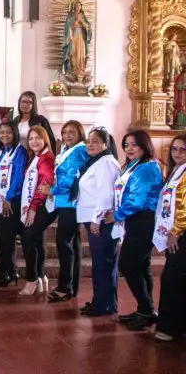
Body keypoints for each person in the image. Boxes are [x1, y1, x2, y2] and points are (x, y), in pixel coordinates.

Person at [113, 130, 163, 331]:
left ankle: (146, 309)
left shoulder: (146, 168)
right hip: (135, 220)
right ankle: (146, 311)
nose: (129, 148)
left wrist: (116, 215)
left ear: (144, 146)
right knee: (141, 266)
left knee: (128, 264)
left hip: (143, 220)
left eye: (134, 144)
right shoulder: (136, 166)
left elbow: (137, 200)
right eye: (126, 145)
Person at [76, 127, 120, 316]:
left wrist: (96, 219)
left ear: (105, 144)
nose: (90, 144)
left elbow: (106, 193)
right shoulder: (97, 161)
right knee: (100, 263)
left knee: (104, 263)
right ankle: (100, 301)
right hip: (94, 219)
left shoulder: (106, 163)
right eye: (88, 141)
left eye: (95, 141)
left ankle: (105, 305)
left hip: (101, 222)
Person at [42, 120, 88, 302]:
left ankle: (64, 286)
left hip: (71, 204)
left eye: (72, 132)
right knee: (72, 245)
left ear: (80, 134)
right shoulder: (67, 150)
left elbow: (71, 179)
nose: (67, 135)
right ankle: (71, 286)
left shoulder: (79, 151)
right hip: (65, 203)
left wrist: (51, 190)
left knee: (64, 244)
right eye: (65, 131)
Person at [0, 121, 27, 287]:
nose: (4, 135)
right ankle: (11, 271)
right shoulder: (1, 151)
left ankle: (2, 273)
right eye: (2, 132)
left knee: (6, 239)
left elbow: (17, 177)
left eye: (8, 132)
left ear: (14, 133)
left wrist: (8, 198)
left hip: (11, 202)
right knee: (5, 239)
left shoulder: (19, 152)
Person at [154, 134, 186, 341]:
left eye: (182, 150)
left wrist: (176, 230)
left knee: (173, 278)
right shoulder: (176, 171)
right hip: (174, 231)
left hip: (181, 233)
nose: (177, 153)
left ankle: (170, 327)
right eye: (174, 149)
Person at [19, 126, 56, 296]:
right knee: (36, 237)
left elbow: (44, 185)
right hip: (38, 203)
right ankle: (41, 276)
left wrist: (33, 209)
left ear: (45, 139)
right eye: (31, 138)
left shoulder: (47, 158)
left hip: (45, 205)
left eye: (38, 138)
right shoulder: (36, 157)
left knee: (27, 235)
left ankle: (32, 279)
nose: (34, 141)